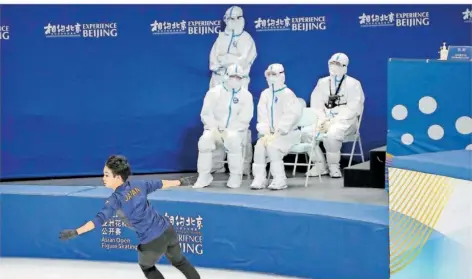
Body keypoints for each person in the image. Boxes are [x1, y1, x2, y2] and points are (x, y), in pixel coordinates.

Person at [59, 155, 201, 279]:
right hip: (168, 231)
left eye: (107, 175)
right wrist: (181, 182)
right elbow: (161, 183)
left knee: (147, 267)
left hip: (151, 242)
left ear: (118, 177)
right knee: (180, 261)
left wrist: (76, 232)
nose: (103, 178)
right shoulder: (139, 184)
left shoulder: (115, 200)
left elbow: (98, 220)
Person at [209, 5, 257, 176]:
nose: (232, 22)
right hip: (218, 83)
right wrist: (229, 61)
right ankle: (216, 165)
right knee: (216, 123)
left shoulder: (247, 39)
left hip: (238, 85)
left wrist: (228, 61)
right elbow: (214, 63)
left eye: (236, 18)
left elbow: (243, 63)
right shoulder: (220, 39)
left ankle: (243, 166)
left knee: (239, 126)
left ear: (242, 19)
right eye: (229, 19)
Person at [301, 53, 365, 178]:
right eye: (331, 63)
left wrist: (334, 121)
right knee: (306, 132)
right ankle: (319, 165)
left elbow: (354, 107)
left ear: (345, 66)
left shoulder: (353, 84)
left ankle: (334, 166)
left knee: (332, 134)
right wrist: (323, 119)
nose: (333, 66)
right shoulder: (322, 82)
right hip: (324, 119)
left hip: (346, 122)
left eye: (337, 64)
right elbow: (316, 103)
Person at [193, 63, 254, 189]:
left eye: (238, 77)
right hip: (214, 129)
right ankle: (204, 175)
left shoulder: (246, 96)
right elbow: (206, 113)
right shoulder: (214, 92)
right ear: (226, 76)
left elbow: (245, 117)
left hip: (235, 131)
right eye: (232, 76)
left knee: (233, 141)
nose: (235, 80)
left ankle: (235, 176)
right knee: (204, 141)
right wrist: (214, 128)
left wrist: (231, 130)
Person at [250, 63, 302, 190]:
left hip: (288, 134)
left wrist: (279, 132)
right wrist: (265, 133)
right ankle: (260, 178)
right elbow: (262, 116)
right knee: (259, 146)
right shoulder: (265, 94)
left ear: (281, 76)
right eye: (269, 75)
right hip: (270, 134)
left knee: (273, 147)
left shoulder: (288, 94)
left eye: (274, 75)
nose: (271, 77)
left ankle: (279, 179)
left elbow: (291, 116)